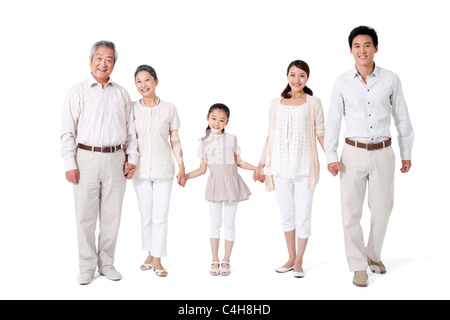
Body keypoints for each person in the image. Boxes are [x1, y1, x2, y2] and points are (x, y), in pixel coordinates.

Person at [324, 26, 414, 287]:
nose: (362, 50)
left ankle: (373, 254)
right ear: (350, 50)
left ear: (376, 48)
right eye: (357, 46)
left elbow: (402, 116)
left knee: (383, 210)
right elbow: (333, 121)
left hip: (384, 153)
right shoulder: (341, 82)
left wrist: (406, 151)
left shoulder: (391, 79)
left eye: (367, 45)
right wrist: (331, 154)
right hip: (352, 153)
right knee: (350, 212)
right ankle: (357, 265)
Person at [61, 40, 139, 285]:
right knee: (85, 215)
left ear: (114, 64)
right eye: (99, 58)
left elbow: (131, 132)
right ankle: (86, 266)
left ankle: (107, 264)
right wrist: (69, 163)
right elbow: (67, 132)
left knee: (112, 215)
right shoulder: (78, 91)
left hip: (116, 158)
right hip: (86, 158)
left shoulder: (122, 93)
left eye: (109, 59)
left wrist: (132, 159)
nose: (103, 63)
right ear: (90, 61)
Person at [255, 60, 325, 278]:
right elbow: (270, 134)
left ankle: (300, 260)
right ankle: (290, 257)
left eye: (302, 75)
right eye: (293, 75)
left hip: (304, 168)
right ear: (287, 77)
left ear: (307, 79)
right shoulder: (276, 103)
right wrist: (261, 164)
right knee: (287, 215)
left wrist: (333, 158)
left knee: (303, 215)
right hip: (280, 168)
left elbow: (321, 132)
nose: (297, 80)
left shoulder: (314, 102)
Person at [184, 103, 258, 276]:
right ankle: (214, 259)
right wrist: (185, 176)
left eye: (221, 120)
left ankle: (227, 259)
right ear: (207, 118)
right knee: (215, 224)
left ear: (227, 122)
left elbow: (240, 162)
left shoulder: (232, 138)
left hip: (232, 184)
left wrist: (257, 168)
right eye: (214, 118)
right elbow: (202, 169)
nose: (217, 123)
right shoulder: (203, 142)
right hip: (215, 185)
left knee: (230, 223)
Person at [131, 65, 186, 277]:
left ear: (156, 81)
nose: (143, 85)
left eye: (147, 80)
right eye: (138, 81)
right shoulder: (132, 108)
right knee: (146, 216)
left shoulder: (170, 108)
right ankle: (150, 253)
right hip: (140, 170)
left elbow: (175, 139)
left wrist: (182, 166)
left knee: (160, 216)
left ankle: (158, 259)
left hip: (164, 169)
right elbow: (129, 138)